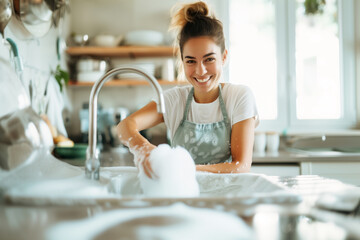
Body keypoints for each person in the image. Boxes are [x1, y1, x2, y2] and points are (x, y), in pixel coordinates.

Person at [117, 1, 259, 178]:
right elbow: (124, 126)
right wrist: (145, 149)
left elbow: (240, 165)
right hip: (180, 191)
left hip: (225, 194)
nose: (201, 71)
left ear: (224, 57)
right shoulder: (174, 100)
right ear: (182, 62)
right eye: (191, 61)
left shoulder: (239, 97)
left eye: (209, 59)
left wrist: (181, 169)